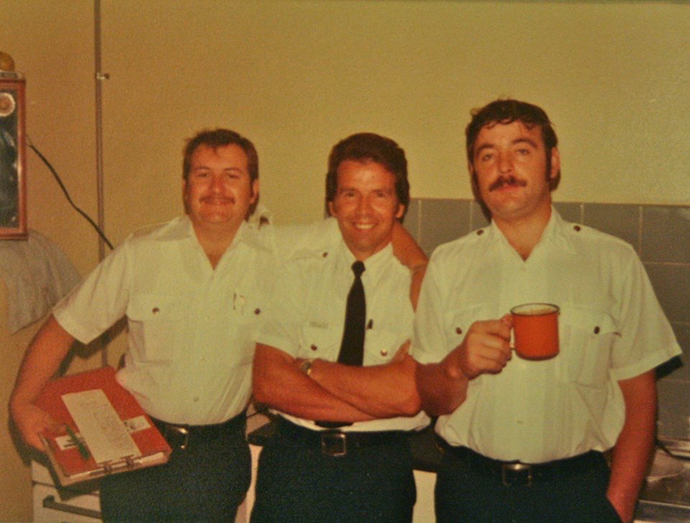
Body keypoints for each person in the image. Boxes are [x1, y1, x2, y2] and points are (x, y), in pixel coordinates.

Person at [10, 128, 427, 522]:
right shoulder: (142, 253)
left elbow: (375, 224)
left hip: (218, 457)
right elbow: (63, 327)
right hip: (140, 449)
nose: (216, 189)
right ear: (186, 187)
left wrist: (420, 268)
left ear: (253, 191)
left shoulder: (279, 250)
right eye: (203, 175)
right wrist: (22, 403)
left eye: (232, 176)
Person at [414, 99, 681, 523]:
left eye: (521, 150)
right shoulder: (447, 264)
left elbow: (640, 398)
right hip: (471, 494)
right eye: (487, 155)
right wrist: (457, 366)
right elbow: (430, 397)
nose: (503, 167)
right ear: (474, 174)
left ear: (552, 163)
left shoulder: (612, 260)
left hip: (576, 496)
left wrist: (617, 509)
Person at [251, 133, 429, 523]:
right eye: (350, 194)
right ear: (332, 204)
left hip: (378, 473)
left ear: (400, 205)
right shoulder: (298, 273)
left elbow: (409, 395)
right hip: (293, 466)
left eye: (379, 195)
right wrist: (377, 397)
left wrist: (311, 368)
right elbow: (267, 382)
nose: (363, 210)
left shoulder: (425, 286)